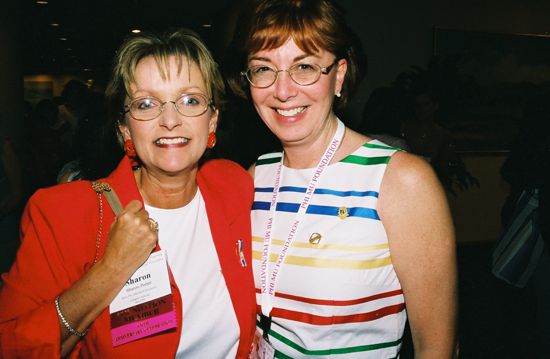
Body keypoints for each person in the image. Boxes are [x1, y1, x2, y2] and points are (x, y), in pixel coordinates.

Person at [0, 28, 256, 358]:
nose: (170, 120)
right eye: (146, 104)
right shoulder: (64, 213)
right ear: (124, 128)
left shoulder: (233, 185)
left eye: (190, 100)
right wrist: (110, 270)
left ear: (212, 120)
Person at [226, 1, 457, 358]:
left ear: (339, 75)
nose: (283, 91)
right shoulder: (256, 174)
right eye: (263, 69)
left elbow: (437, 347)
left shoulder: (400, 181)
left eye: (304, 67)